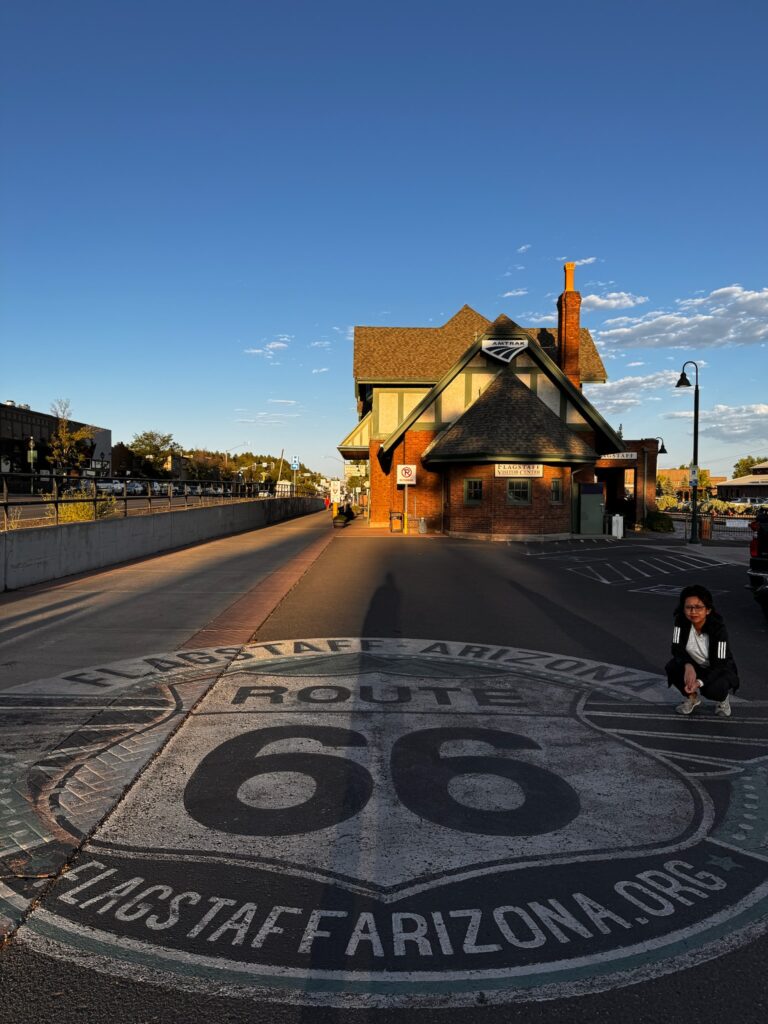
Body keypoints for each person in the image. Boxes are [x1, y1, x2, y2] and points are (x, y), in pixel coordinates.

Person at [665, 584, 740, 717]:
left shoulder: (718, 630)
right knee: (672, 667)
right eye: (688, 607)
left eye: (699, 607)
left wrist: (699, 682)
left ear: (708, 610)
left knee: (713, 690)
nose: (693, 611)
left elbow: (720, 664)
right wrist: (688, 665)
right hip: (695, 665)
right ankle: (692, 698)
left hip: (718, 669)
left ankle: (723, 700)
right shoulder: (681, 622)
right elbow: (676, 648)